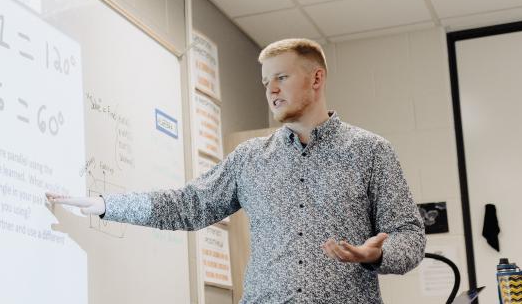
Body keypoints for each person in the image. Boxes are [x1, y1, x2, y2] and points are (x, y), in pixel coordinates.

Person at [47, 38, 424, 303]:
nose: (271, 90)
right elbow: (187, 206)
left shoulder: (370, 151)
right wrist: (106, 204)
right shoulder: (249, 158)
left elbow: (410, 236)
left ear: (316, 78)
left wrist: (376, 255)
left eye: (281, 77)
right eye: (265, 82)